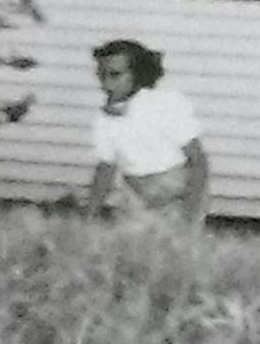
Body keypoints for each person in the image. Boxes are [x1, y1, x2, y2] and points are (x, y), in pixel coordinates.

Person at [85, 39, 209, 224]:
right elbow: (106, 168)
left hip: (174, 190)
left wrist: (191, 210)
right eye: (101, 75)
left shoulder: (165, 104)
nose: (106, 84)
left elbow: (197, 159)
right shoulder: (105, 118)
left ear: (138, 74)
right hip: (135, 192)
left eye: (115, 75)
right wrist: (90, 214)